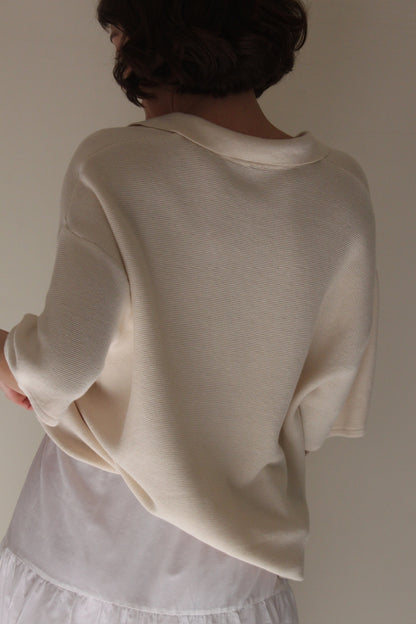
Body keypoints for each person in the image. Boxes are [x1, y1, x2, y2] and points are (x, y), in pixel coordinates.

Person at [0, 0, 379, 622]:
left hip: (91, 541)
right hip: (234, 565)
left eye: (118, 35)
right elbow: (322, 412)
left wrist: (8, 357)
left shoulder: (116, 164)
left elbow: (58, 368)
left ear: (150, 36)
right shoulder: (341, 189)